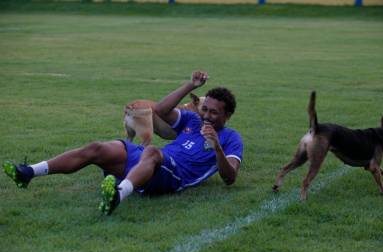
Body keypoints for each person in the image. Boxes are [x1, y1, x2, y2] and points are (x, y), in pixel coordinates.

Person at [3, 71, 243, 215]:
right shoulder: (192, 118)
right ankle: (28, 172)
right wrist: (191, 85)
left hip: (173, 174)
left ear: (227, 116)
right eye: (205, 109)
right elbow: (160, 109)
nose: (207, 116)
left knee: (152, 151)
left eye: (214, 113)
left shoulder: (232, 138)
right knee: (97, 148)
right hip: (151, 161)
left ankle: (118, 195)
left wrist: (217, 147)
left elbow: (229, 177)